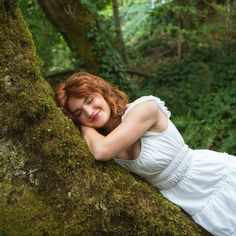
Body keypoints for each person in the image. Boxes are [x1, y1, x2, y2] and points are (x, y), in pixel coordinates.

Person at [55, 72, 236, 236]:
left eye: (89, 100)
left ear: (103, 92)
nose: (89, 112)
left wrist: (84, 126)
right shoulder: (101, 139)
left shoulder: (145, 108)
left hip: (212, 178)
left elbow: (101, 151)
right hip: (183, 198)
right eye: (79, 113)